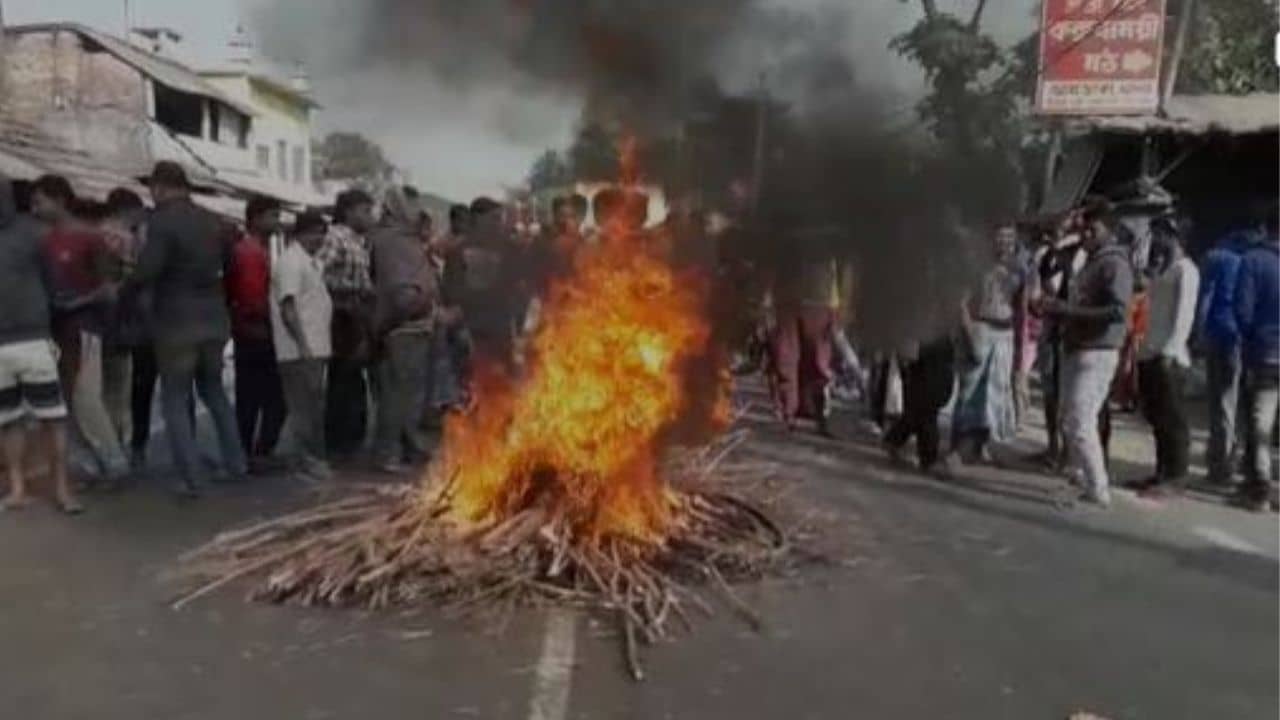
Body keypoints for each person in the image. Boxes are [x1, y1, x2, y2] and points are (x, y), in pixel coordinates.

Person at [132, 162, 246, 498]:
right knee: (215, 393)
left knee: (176, 399)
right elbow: (231, 266)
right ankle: (235, 463)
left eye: (153, 188)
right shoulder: (214, 221)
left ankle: (191, 478)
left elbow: (148, 270)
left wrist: (127, 286)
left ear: (161, 186)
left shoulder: (161, 221)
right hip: (214, 319)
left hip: (176, 323)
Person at [31, 175, 131, 489]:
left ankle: (115, 465)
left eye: (39, 201)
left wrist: (75, 303)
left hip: (86, 329)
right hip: (58, 332)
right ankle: (90, 467)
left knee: (86, 398)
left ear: (59, 199)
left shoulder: (89, 238)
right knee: (68, 402)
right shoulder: (45, 241)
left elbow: (108, 290)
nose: (35, 209)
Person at [1040, 202, 1134, 507]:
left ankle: (1098, 487)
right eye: (1084, 228)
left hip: (1098, 350)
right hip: (1075, 345)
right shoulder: (1087, 259)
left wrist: (1070, 310)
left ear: (1109, 229)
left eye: (1093, 229)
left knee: (1081, 420)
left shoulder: (1115, 263)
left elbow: (1118, 310)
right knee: (1069, 418)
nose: (1086, 234)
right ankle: (1080, 478)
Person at [0, 175, 79, 513]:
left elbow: (55, 285)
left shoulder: (34, 234)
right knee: (8, 419)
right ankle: (18, 488)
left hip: (33, 339)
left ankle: (62, 489)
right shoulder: (34, 232)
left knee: (53, 417)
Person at [1129, 218, 1199, 498]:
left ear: (1177, 237)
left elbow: (1184, 316)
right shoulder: (1162, 269)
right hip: (1150, 350)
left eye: (1163, 235)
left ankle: (1177, 475)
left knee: (1172, 420)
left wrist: (1170, 351)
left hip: (1169, 356)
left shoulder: (1186, 271)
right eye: (1156, 234)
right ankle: (1161, 472)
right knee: (1156, 417)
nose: (1158, 240)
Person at [369, 186, 437, 472]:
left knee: (409, 394)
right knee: (396, 395)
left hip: (415, 326)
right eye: (411, 206)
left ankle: (408, 446)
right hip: (402, 328)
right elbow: (400, 293)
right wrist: (412, 306)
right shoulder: (391, 242)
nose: (417, 213)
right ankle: (388, 454)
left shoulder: (405, 240)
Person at [949, 223, 1022, 464]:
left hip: (1005, 334)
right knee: (968, 392)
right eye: (1000, 237)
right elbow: (961, 304)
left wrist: (1019, 351)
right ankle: (956, 446)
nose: (1004, 243)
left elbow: (1022, 308)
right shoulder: (976, 266)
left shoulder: (1019, 269)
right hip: (980, 328)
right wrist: (969, 334)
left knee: (995, 393)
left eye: (1009, 238)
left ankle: (978, 446)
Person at [766, 226, 844, 437]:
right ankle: (787, 415)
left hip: (821, 303)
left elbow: (842, 269)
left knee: (819, 365)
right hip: (788, 302)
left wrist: (839, 308)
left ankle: (820, 416)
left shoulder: (833, 229)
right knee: (786, 361)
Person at [273, 211, 333, 480]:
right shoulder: (290, 262)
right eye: (316, 233)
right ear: (303, 233)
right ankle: (308, 460)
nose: (320, 239)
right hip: (299, 350)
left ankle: (309, 458)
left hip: (314, 347)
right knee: (304, 407)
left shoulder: (309, 261)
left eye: (323, 233)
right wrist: (304, 346)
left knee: (313, 404)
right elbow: (288, 309)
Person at [227, 196, 286, 468]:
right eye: (273, 216)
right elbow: (253, 300)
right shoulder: (250, 252)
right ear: (256, 218)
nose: (278, 223)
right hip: (257, 332)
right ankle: (255, 452)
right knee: (267, 397)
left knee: (252, 396)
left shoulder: (253, 249)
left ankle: (249, 451)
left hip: (251, 330)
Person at [317, 189, 376, 457]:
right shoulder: (336, 238)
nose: (369, 216)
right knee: (341, 379)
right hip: (342, 315)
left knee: (353, 380)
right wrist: (355, 288)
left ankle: (351, 440)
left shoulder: (359, 241)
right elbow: (319, 274)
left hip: (357, 314)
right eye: (365, 210)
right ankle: (336, 442)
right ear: (349, 210)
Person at [1197, 226, 1253, 486]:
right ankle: (1236, 459)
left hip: (1219, 334)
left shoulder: (1216, 257)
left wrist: (1197, 333)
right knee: (1239, 404)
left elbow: (1206, 297)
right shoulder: (1251, 260)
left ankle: (1220, 464)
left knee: (1220, 402)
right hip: (1243, 339)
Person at [98, 188, 150, 468]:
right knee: (117, 390)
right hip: (122, 320)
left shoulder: (99, 234)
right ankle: (116, 447)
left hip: (102, 320)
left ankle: (111, 450)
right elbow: (134, 278)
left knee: (106, 390)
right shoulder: (123, 238)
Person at [1233, 206, 1280, 512]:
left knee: (1259, 420)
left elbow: (1243, 310)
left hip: (1264, 353)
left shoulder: (1253, 261)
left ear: (1265, 227)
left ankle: (1259, 488)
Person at [884, 334, 956, 472]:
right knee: (925, 413)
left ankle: (895, 442)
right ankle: (928, 458)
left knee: (920, 412)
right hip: (926, 363)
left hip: (932, 362)